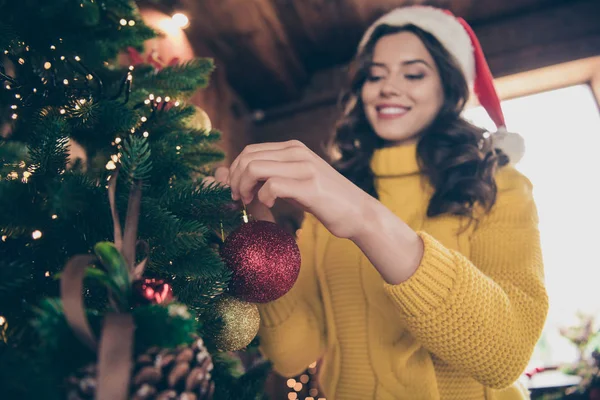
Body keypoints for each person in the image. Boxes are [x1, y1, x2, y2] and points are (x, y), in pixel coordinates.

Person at [204, 5, 548, 400]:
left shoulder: (499, 185)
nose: (387, 87)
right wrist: (258, 229)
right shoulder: (324, 210)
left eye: (414, 73)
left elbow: (507, 355)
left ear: (449, 88)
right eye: (374, 75)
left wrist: (365, 218)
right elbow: (291, 354)